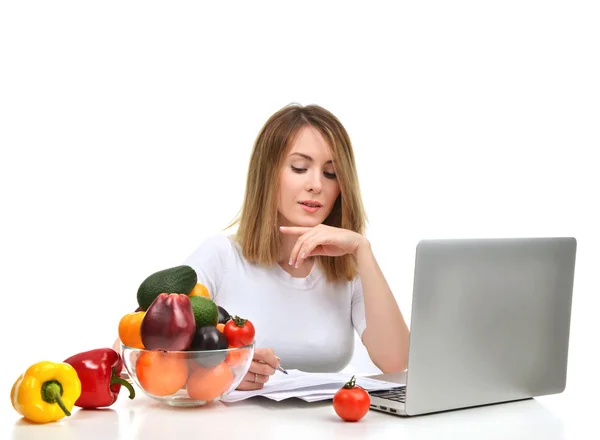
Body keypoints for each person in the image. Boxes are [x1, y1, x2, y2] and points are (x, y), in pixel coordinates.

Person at [181, 103, 410, 391]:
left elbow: (396, 362)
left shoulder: (348, 268)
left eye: (331, 173)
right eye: (300, 168)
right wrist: (224, 365)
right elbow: (140, 348)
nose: (316, 184)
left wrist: (363, 250)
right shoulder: (223, 257)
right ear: (268, 173)